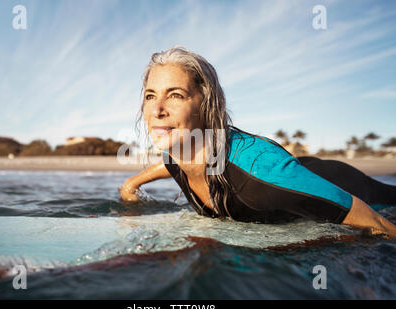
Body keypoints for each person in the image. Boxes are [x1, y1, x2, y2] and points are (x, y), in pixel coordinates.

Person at [119, 46, 396, 239]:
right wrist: (133, 184)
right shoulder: (180, 151)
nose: (157, 110)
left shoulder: (257, 176)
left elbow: (375, 223)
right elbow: (171, 164)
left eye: (176, 95)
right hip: (297, 173)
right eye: (150, 96)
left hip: (346, 187)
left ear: (206, 103)